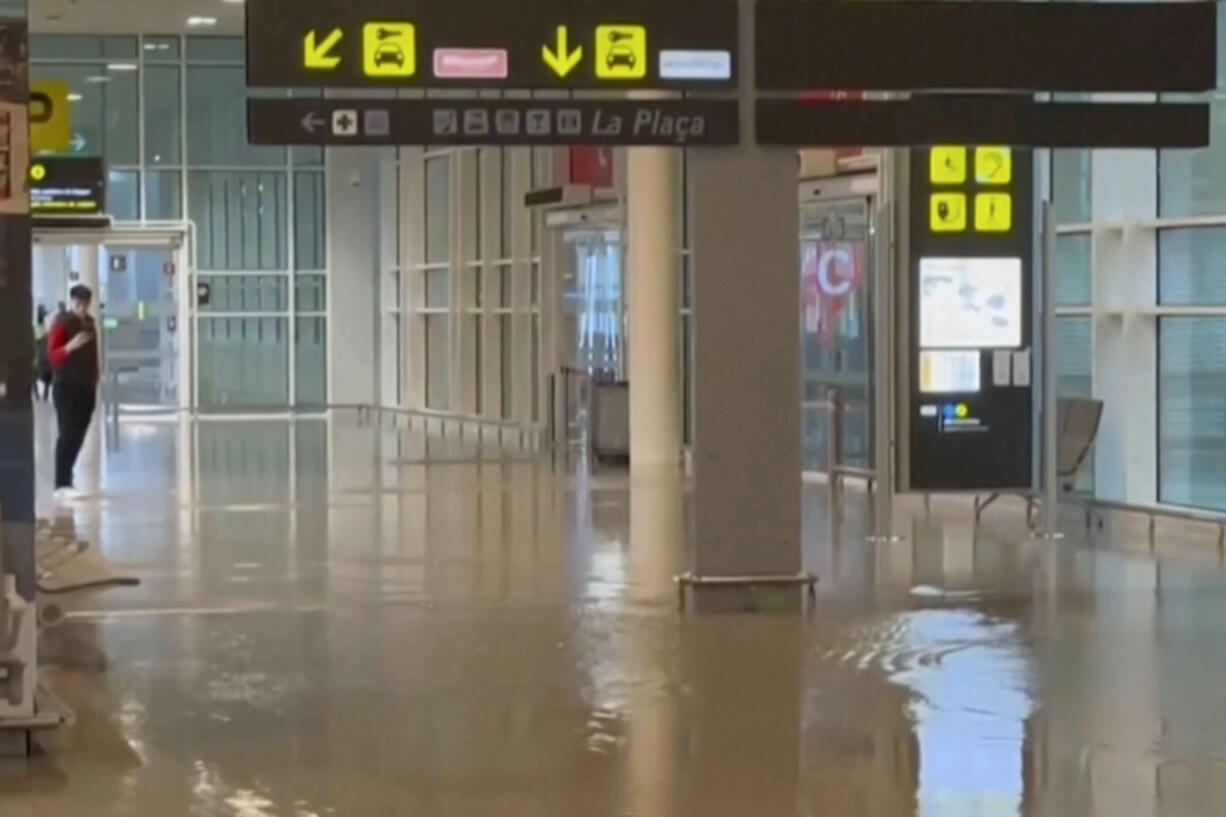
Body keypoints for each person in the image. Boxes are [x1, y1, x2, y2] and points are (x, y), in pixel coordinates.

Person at [47, 285, 99, 501]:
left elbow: (94, 354)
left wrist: (96, 377)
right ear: (71, 302)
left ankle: (67, 477)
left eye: (85, 304)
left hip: (86, 387)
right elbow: (52, 356)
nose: (82, 308)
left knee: (78, 434)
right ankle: (61, 482)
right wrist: (71, 346)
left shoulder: (90, 324)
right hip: (66, 387)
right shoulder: (62, 322)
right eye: (78, 304)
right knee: (67, 433)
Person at [32, 304, 52, 401]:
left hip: (42, 352)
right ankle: (39, 395)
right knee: (35, 374)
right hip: (39, 352)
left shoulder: (43, 325)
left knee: (43, 374)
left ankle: (42, 395)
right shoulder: (37, 326)